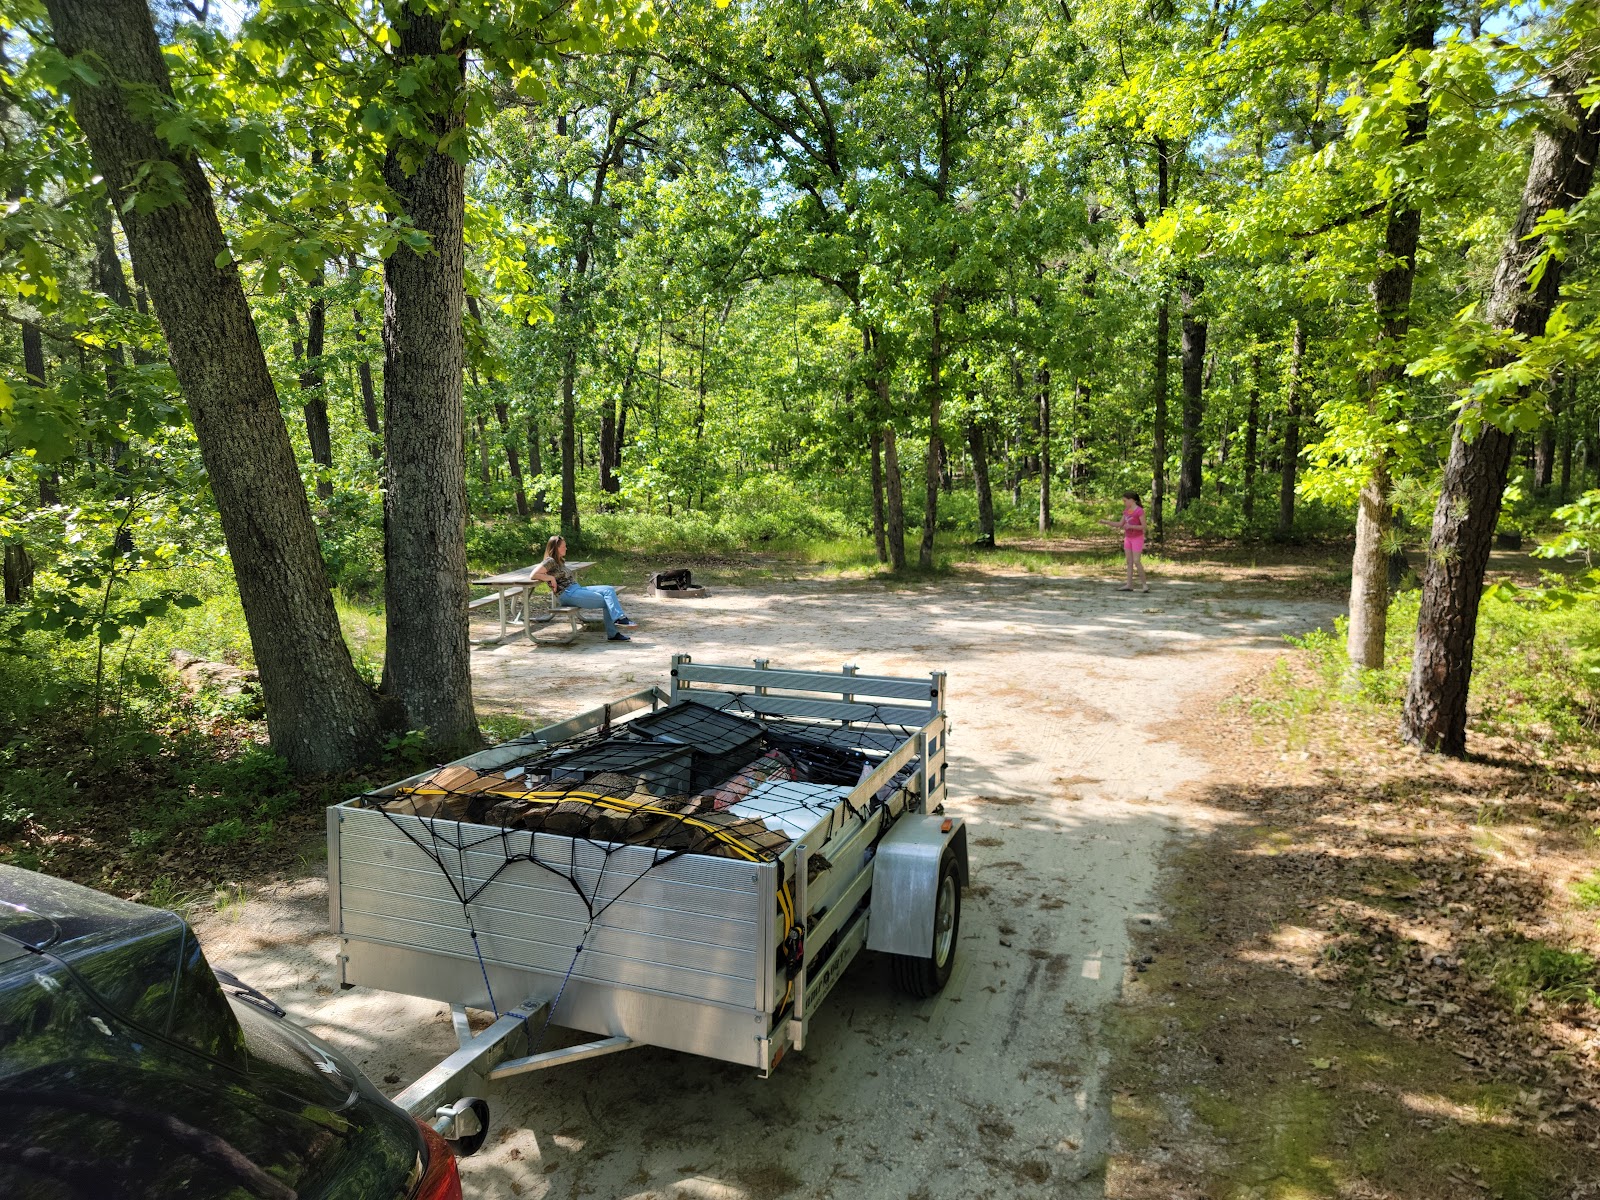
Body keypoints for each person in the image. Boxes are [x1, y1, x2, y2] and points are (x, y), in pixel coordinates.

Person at [531, 535, 638, 641]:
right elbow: (533, 574)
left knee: (609, 590)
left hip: (576, 589)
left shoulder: (559, 560)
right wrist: (550, 578)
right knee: (608, 601)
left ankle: (618, 621)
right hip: (567, 594)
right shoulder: (550, 561)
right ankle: (615, 628)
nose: (566, 548)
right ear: (556, 548)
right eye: (564, 546)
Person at [1100, 492, 1148, 592]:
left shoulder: (1139, 511)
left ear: (1132, 500)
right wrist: (1106, 522)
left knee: (1136, 561)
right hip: (1128, 538)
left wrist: (1131, 526)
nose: (1124, 503)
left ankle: (1144, 585)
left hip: (1137, 538)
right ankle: (1129, 585)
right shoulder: (1126, 511)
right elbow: (1120, 524)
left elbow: (1144, 526)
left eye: (1125, 501)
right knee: (1129, 561)